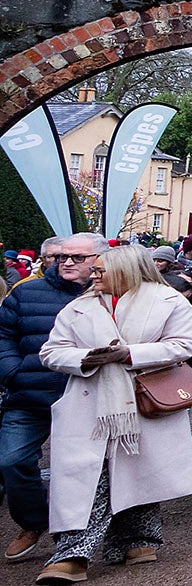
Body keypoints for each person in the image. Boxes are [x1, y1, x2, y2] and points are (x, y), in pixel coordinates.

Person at [33, 243, 192, 586]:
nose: (92, 275)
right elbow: (51, 352)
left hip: (144, 401)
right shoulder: (77, 307)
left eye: (99, 270)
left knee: (135, 471)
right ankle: (74, 552)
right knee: (89, 478)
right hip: (89, 402)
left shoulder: (169, 301)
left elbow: (184, 345)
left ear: (125, 270)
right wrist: (83, 359)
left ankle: (136, 540)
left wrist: (129, 354)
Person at [1, 235, 105, 557]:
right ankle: (33, 521)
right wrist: (13, 372)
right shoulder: (26, 292)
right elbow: (3, 335)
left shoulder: (109, 295)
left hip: (88, 396)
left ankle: (89, 533)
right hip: (29, 395)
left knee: (93, 468)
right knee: (11, 461)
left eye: (77, 257)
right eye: (62, 257)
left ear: (99, 259)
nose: (67, 262)